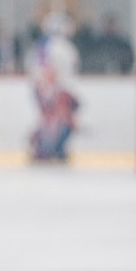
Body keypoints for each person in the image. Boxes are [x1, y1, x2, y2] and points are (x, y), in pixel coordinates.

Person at [27, 12, 79, 162]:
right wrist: (49, 91)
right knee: (56, 121)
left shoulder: (54, 45)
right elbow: (43, 71)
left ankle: (53, 149)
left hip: (59, 90)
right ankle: (46, 150)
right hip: (55, 90)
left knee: (61, 121)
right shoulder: (51, 46)